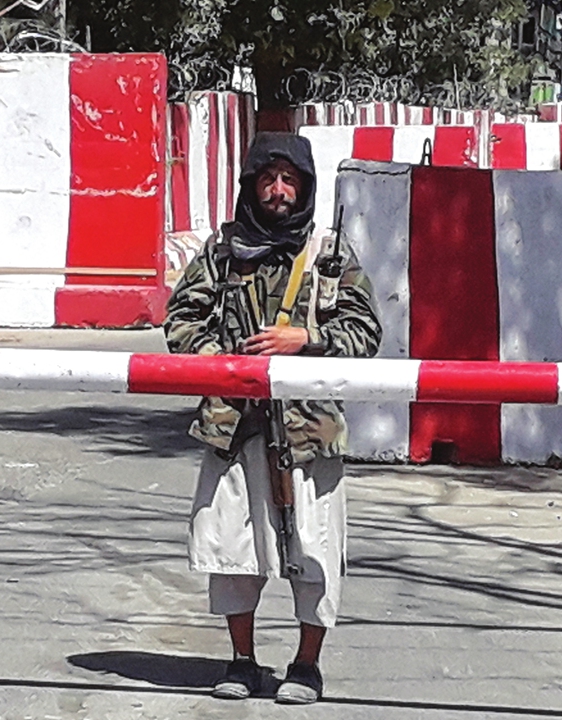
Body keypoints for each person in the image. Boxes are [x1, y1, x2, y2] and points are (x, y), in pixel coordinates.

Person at [164, 132, 381, 705]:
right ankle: (242, 661)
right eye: (267, 178)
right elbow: (182, 321)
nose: (278, 190)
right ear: (250, 185)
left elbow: (366, 333)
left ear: (305, 187)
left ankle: (306, 666)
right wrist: (225, 364)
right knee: (233, 549)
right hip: (235, 426)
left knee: (314, 549)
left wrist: (305, 339)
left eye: (289, 180)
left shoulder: (329, 253)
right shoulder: (222, 251)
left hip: (310, 432)